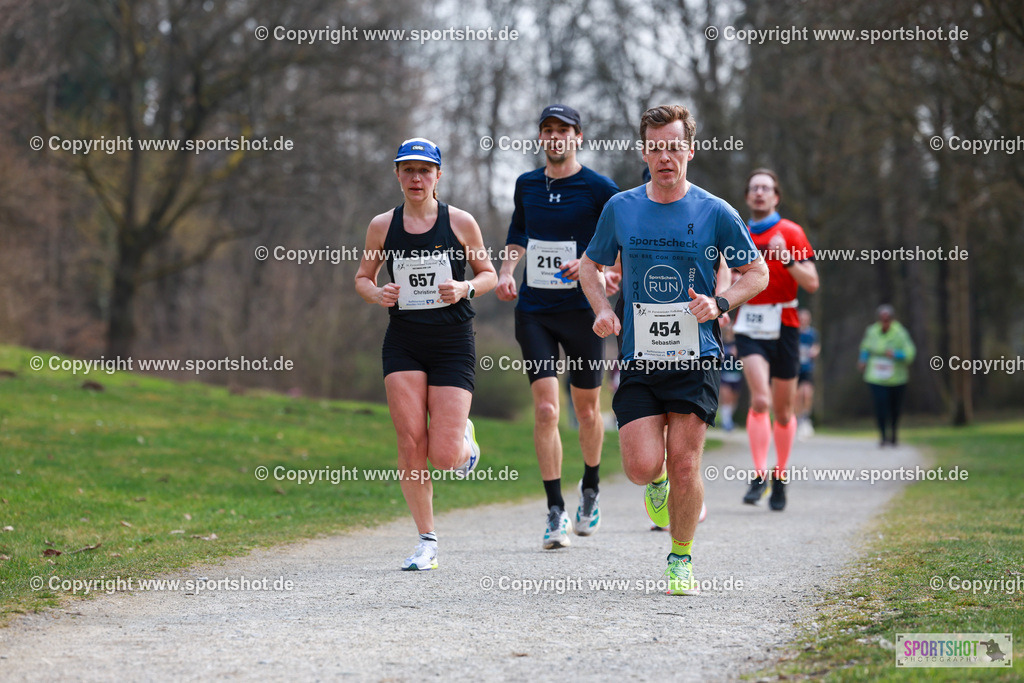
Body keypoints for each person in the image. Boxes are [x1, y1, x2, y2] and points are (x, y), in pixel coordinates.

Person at [580, 105, 768, 595]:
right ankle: (656, 484)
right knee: (643, 467)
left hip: (696, 355)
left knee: (686, 462)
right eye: (656, 148)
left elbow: (757, 272)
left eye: (674, 147)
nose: (665, 157)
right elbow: (589, 266)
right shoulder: (621, 207)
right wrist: (602, 309)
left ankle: (680, 558)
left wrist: (720, 302)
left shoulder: (715, 211)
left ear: (690, 150)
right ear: (644, 153)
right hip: (639, 357)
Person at [354, 138, 497, 570]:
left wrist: (465, 287)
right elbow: (362, 277)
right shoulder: (383, 225)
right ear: (397, 175)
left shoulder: (460, 222)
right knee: (410, 441)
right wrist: (377, 293)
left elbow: (488, 274)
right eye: (408, 170)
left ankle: (465, 444)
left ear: (438, 175)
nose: (416, 178)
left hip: (453, 342)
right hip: (404, 341)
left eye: (424, 170)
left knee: (444, 456)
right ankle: (426, 541)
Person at [496, 104, 620, 550]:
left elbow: (622, 239)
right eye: (547, 130)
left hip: (584, 310)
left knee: (586, 410)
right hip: (535, 310)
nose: (554, 137)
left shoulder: (600, 188)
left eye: (563, 130)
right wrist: (506, 271)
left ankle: (591, 488)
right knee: (547, 410)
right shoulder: (526, 184)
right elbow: (518, 230)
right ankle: (555, 511)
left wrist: (601, 269)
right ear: (540, 137)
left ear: (578, 137)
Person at [734, 168, 819, 512]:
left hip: (785, 324)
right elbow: (725, 272)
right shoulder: (736, 232)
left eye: (765, 188)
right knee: (761, 400)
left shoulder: (791, 232)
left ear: (776, 196)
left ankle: (780, 475)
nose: (759, 193)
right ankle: (759, 475)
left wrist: (788, 259)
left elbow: (812, 282)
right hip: (749, 324)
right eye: (754, 187)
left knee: (784, 412)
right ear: (747, 196)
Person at [858, 304, 916, 446]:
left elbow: (910, 353)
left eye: (887, 319)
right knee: (880, 405)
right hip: (876, 377)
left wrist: (896, 354)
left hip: (897, 378)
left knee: (895, 408)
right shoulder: (872, 331)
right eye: (882, 318)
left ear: (892, 319)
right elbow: (865, 348)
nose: (885, 321)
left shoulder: (900, 333)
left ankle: (894, 433)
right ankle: (883, 435)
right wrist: (863, 360)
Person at [796, 308, 820, 439]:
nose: (803, 321)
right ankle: (798, 419)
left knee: (807, 393)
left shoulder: (812, 333)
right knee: (797, 395)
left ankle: (805, 418)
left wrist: (815, 351)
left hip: (807, 368)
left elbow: (816, 346)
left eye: (805, 319)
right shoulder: (794, 332)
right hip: (795, 368)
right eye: (801, 319)